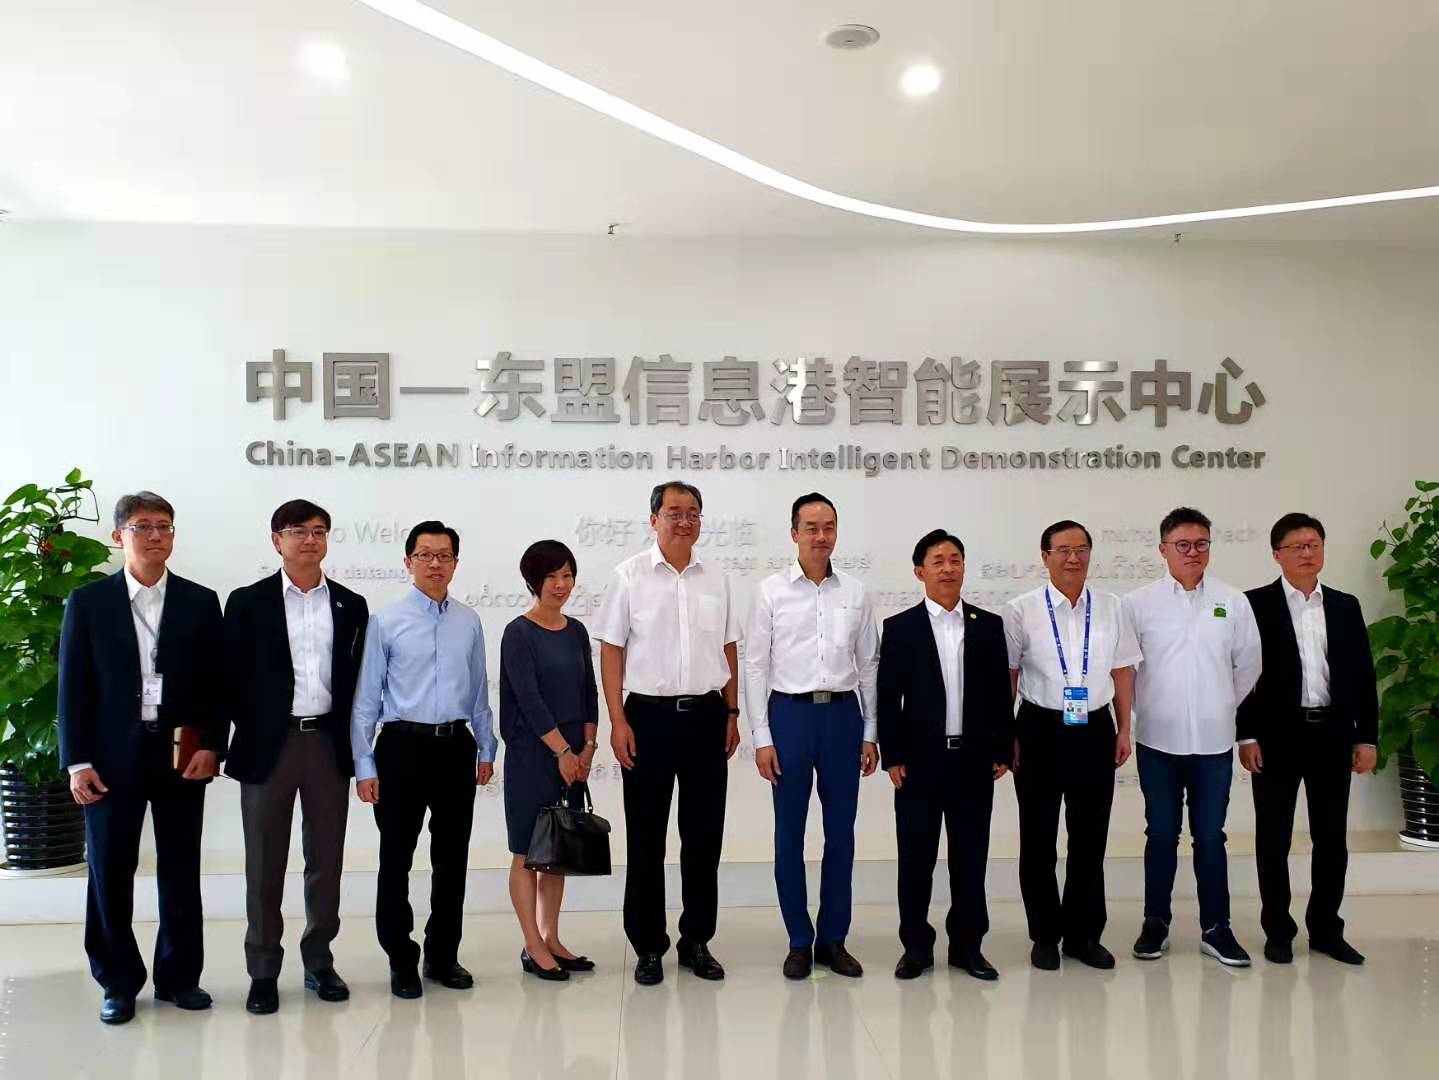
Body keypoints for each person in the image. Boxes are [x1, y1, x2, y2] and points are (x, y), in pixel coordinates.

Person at [58, 491, 225, 1025]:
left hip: (180, 755)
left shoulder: (200, 602)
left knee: (180, 869)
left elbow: (215, 687)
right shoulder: (88, 602)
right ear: (119, 536)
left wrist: (211, 746)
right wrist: (76, 761)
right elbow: (73, 688)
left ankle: (180, 978)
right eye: (143, 526)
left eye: (165, 526)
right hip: (109, 759)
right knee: (110, 871)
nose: (156, 536)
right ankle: (118, 981)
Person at [223, 499, 369, 1014]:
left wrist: (361, 752)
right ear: (275, 540)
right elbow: (229, 681)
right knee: (264, 862)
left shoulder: (351, 604)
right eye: (298, 531)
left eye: (319, 531)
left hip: (327, 745)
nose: (310, 539)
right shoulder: (246, 602)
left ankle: (319, 962)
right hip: (270, 747)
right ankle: (263, 970)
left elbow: (357, 686)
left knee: (325, 861)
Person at [595, 481, 741, 986]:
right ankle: (649, 945)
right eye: (674, 513)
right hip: (647, 719)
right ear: (653, 519)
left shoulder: (716, 578)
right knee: (647, 838)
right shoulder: (629, 576)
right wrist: (617, 719)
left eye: (693, 513)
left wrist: (731, 712)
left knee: (703, 836)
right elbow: (611, 650)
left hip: (705, 716)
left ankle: (697, 939)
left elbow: (728, 648)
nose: (684, 521)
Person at [350, 520, 496, 999]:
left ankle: (443, 954)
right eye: (426, 555)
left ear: (456, 562)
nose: (436, 564)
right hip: (401, 749)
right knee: (396, 858)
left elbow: (478, 692)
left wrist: (486, 747)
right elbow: (366, 701)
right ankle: (400, 957)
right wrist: (365, 765)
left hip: (455, 747)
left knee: (451, 860)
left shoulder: (469, 620)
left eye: (445, 555)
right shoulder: (386, 621)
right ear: (408, 561)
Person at [745, 493, 879, 980]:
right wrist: (762, 736)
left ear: (836, 533)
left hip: (843, 718)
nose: (821, 536)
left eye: (829, 527)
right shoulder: (770, 592)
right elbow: (755, 665)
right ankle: (799, 939)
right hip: (791, 717)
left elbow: (869, 665)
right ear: (794, 533)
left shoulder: (857, 592)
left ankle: (834, 938)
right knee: (789, 835)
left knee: (841, 834)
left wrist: (870, 732)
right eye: (811, 527)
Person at [1122, 506, 1262, 967]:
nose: (1193, 552)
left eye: (1201, 543)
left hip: (1214, 743)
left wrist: (1219, 705)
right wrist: (1142, 714)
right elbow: (1126, 671)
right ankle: (1155, 923)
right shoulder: (1138, 604)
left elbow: (1248, 667)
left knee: (1210, 836)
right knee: (1161, 834)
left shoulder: (1232, 601)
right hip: (1158, 741)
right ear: (1163, 550)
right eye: (1182, 544)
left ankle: (1216, 928)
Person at [1238, 513, 1378, 966]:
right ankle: (1277, 929)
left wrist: (1367, 737)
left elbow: (1361, 675)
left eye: (1314, 544)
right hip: (1277, 738)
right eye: (1296, 546)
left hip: (1333, 736)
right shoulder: (1253, 605)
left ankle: (1326, 929)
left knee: (1331, 838)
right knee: (1273, 839)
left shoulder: (1344, 605)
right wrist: (1247, 735)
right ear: (1276, 554)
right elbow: (1241, 676)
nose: (1306, 553)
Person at [1004, 520, 1141, 971]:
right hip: (1039, 730)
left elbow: (1122, 671)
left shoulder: (1111, 606)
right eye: (1062, 549)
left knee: (1089, 838)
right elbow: (1010, 677)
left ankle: (1084, 934)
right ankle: (1045, 934)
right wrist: (1008, 736)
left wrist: (1124, 728)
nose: (1073, 558)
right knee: (1039, 839)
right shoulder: (1021, 610)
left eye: (1081, 549)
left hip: (1094, 730)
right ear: (1044, 556)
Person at [876, 529, 1012, 981]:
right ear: (920, 571)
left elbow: (999, 695)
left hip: (973, 761)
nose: (948, 568)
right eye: (938, 561)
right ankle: (916, 947)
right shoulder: (899, 629)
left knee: (970, 858)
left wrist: (1001, 749)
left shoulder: (987, 626)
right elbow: (887, 696)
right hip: (919, 763)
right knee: (915, 859)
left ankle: (968, 946)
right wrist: (892, 755)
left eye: (955, 559)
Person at [500, 539, 600, 982]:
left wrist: (588, 749)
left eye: (567, 575)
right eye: (552, 577)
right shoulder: (518, 633)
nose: (561, 585)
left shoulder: (576, 630)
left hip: (574, 758)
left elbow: (589, 693)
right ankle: (532, 945)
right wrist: (562, 750)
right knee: (527, 852)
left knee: (555, 852)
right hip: (533, 757)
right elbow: (530, 700)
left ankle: (552, 936)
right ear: (533, 582)